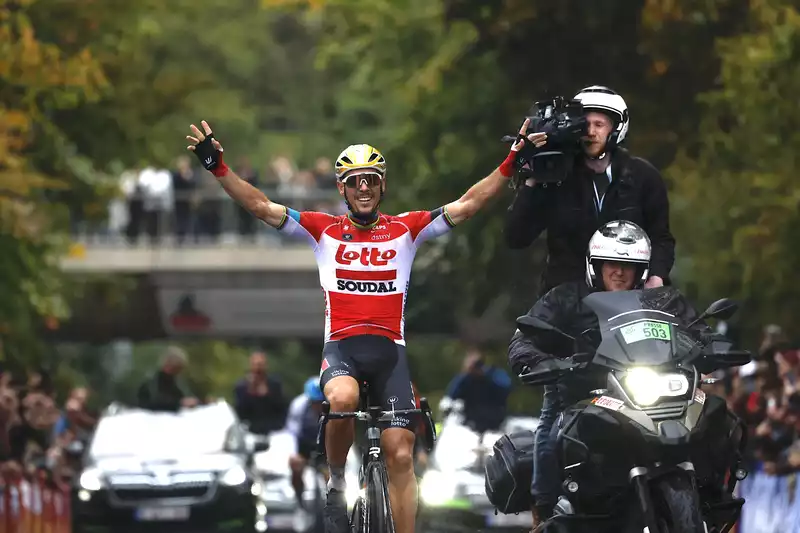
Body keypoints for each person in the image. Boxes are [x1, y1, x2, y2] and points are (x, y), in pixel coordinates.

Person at [185, 118, 547, 533]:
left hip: (390, 353)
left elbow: (467, 204)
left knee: (402, 456)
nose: (364, 188)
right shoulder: (323, 230)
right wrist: (217, 167)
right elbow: (260, 207)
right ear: (342, 188)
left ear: (382, 186)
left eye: (371, 181)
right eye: (355, 181)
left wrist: (513, 158)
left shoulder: (405, 230)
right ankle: (337, 484)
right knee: (342, 399)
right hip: (342, 349)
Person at [506, 220, 708, 531]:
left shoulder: (662, 300)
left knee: (712, 416)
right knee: (548, 441)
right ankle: (544, 514)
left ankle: (712, 492)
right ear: (594, 265)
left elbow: (697, 330)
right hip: (578, 389)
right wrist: (537, 360)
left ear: (642, 271)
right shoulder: (565, 298)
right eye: (611, 263)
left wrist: (713, 346)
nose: (618, 272)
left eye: (629, 266)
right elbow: (524, 337)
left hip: (647, 392)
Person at [504, 86, 675, 295]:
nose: (591, 132)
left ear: (615, 129)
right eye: (585, 125)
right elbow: (516, 237)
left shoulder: (643, 176)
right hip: (565, 305)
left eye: (599, 125)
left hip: (629, 299)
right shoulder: (557, 176)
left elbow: (661, 238)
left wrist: (656, 278)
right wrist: (532, 179)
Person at [286, 377, 328, 529]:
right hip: (303, 443)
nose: (317, 405)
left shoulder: (332, 404)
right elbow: (291, 432)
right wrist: (294, 455)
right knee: (295, 466)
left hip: (325, 444)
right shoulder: (298, 405)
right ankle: (299, 502)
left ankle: (334, 504)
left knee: (331, 472)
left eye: (320, 402)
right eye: (314, 402)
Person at [442, 348, 511, 433]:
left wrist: (487, 378)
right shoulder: (465, 379)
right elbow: (451, 395)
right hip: (470, 424)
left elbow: (507, 388)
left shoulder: (494, 375)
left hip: (495, 423)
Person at [233, 351, 287, 435]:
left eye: (261, 364)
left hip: (274, 430)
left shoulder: (275, 384)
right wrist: (250, 391)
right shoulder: (242, 386)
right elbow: (239, 413)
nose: (258, 368)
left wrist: (268, 394)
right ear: (251, 366)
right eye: (256, 364)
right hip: (249, 430)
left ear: (266, 366)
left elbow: (282, 408)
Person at [136, 346, 198, 412]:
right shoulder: (151, 384)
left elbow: (185, 396)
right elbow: (155, 403)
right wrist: (179, 403)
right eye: (176, 368)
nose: (178, 373)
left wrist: (199, 401)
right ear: (168, 365)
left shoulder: (177, 382)